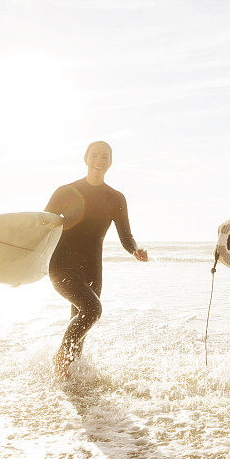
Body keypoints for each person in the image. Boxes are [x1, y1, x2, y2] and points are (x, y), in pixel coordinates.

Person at [45, 141, 148, 378]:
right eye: (95, 156)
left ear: (110, 162)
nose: (99, 160)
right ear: (86, 159)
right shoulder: (65, 192)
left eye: (104, 157)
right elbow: (43, 223)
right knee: (92, 310)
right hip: (61, 265)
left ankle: (68, 383)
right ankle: (60, 357)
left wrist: (135, 250)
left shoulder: (115, 198)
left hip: (92, 269)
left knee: (80, 325)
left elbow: (126, 236)